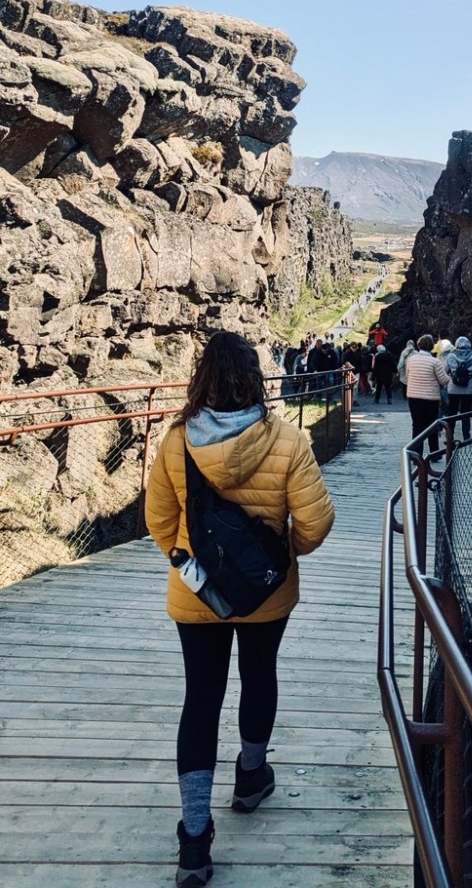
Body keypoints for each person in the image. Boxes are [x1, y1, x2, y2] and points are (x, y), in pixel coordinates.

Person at [145, 332, 335, 887]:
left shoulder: (176, 441)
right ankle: (251, 778)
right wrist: (276, 556)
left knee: (200, 700)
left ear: (202, 375)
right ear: (254, 376)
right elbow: (317, 523)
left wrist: (196, 571)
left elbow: (158, 521)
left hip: (195, 599)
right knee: (259, 677)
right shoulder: (288, 441)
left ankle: (195, 840)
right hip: (266, 597)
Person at [405, 334, 449, 454]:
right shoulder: (435, 362)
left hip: (413, 396)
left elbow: (408, 375)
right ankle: (434, 453)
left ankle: (416, 453)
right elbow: (444, 380)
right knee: (431, 425)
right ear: (431, 347)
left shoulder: (410, 360)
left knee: (417, 425)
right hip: (430, 397)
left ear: (419, 345)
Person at [443, 336, 472, 440]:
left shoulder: (451, 356)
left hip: (453, 389)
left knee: (452, 413)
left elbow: (445, 371)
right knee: (466, 413)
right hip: (468, 389)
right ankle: (466, 437)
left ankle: (450, 437)